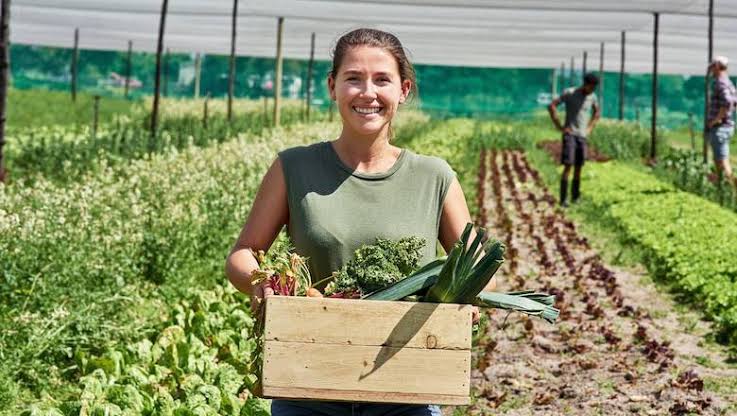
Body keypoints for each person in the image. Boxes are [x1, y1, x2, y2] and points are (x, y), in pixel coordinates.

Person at [225, 28, 494, 416]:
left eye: (382, 80)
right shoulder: (293, 167)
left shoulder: (434, 177)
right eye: (353, 78)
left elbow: (481, 269)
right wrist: (259, 281)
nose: (368, 93)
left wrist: (464, 295)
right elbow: (244, 252)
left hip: (406, 389)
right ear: (332, 87)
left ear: (403, 90)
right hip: (307, 383)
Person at [547, 73, 601, 207]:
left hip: (582, 136)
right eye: (591, 87)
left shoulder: (592, 97)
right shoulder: (570, 93)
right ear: (585, 84)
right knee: (568, 166)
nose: (592, 90)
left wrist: (589, 128)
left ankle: (575, 197)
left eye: (594, 88)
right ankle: (563, 199)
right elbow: (552, 106)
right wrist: (559, 126)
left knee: (579, 167)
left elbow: (597, 113)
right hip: (570, 135)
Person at [707, 55, 736, 180]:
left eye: (712, 67)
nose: (710, 70)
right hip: (726, 126)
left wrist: (716, 120)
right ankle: (721, 186)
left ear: (718, 66)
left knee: (721, 162)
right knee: (720, 160)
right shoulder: (729, 82)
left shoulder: (721, 82)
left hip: (720, 127)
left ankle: (730, 188)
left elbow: (728, 102)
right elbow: (733, 102)